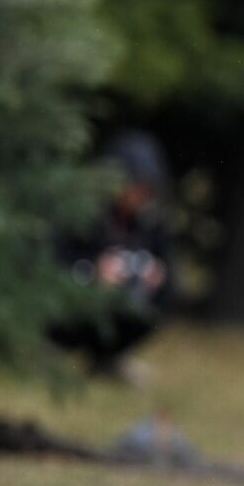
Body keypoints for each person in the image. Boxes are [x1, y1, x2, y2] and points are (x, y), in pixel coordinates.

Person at [50, 131, 175, 379]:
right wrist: (90, 271)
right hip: (73, 306)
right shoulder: (78, 210)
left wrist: (156, 277)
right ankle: (50, 349)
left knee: (162, 298)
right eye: (137, 187)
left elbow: (170, 274)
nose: (141, 196)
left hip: (121, 308)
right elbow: (48, 264)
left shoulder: (149, 222)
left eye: (147, 190)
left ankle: (107, 358)